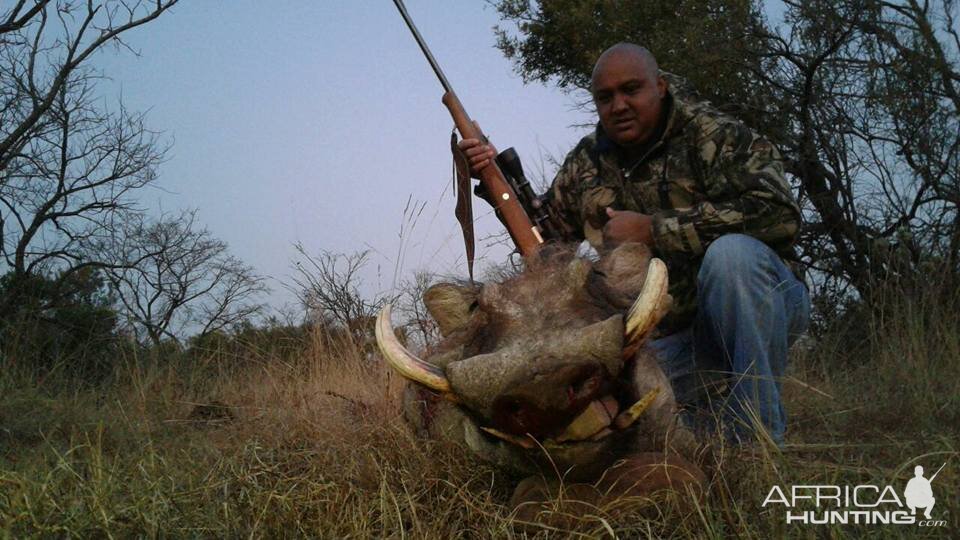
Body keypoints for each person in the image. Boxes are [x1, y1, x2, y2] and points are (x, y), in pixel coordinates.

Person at [459, 43, 810, 447]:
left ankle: (758, 443)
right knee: (631, 407)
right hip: (673, 338)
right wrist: (493, 184)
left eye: (631, 90)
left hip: (760, 304)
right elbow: (550, 246)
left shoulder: (714, 134)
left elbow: (780, 215)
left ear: (659, 86)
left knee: (732, 258)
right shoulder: (586, 161)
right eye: (605, 97)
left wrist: (656, 231)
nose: (619, 106)